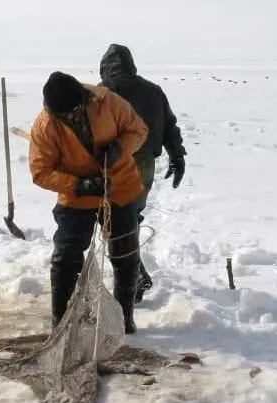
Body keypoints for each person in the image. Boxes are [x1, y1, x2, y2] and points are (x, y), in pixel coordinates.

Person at [28, 71, 149, 334]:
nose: (70, 118)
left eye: (74, 111)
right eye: (64, 115)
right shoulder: (45, 126)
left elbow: (139, 130)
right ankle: (60, 322)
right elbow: (41, 172)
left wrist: (120, 147)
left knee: (125, 255)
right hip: (76, 197)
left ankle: (124, 320)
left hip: (120, 189)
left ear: (83, 98)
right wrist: (77, 185)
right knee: (65, 256)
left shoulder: (108, 102)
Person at [98, 43, 187, 303]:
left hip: (116, 162)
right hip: (145, 163)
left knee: (114, 223)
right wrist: (177, 155)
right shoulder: (153, 91)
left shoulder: (101, 93)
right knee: (128, 219)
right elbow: (170, 125)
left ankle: (134, 275)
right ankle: (134, 273)